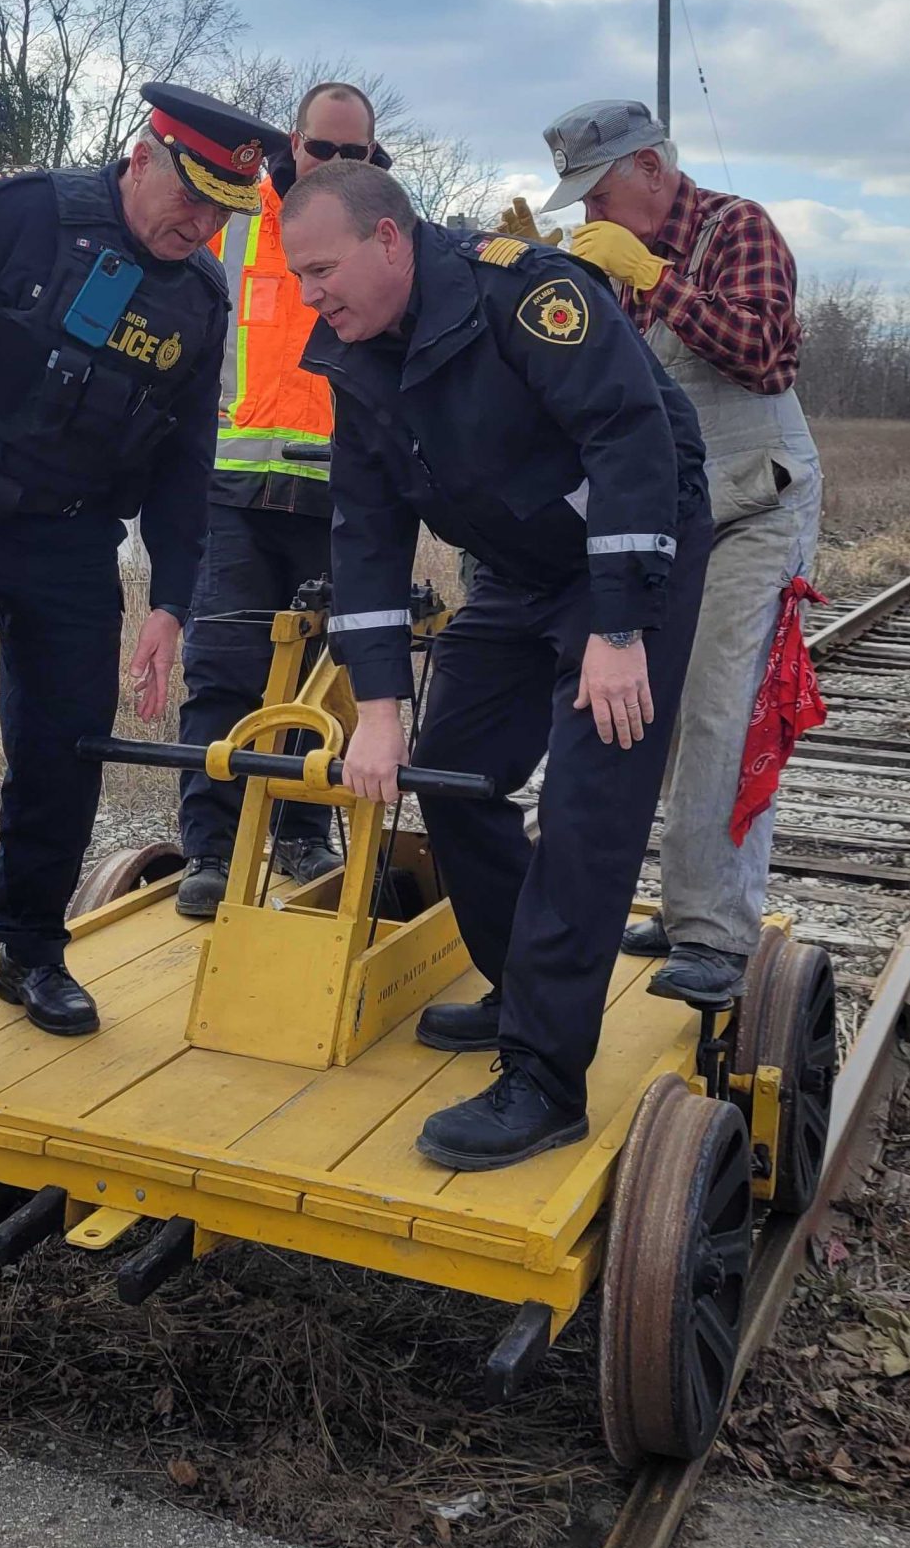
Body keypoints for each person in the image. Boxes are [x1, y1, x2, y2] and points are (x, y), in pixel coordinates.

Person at [0, 85, 280, 1066]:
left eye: (222, 215)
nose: (200, 227)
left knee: (66, 751)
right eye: (191, 198)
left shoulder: (197, 303)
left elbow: (186, 461)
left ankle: (33, 951)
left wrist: (167, 602)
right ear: (143, 156)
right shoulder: (21, 213)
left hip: (71, 542)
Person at [279, 162, 711, 1173]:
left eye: (322, 269)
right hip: (519, 566)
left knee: (587, 805)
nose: (309, 295)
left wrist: (617, 629)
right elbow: (367, 531)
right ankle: (522, 988)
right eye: (298, 276)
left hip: (630, 554)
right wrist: (377, 703)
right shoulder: (354, 352)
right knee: (455, 774)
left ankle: (546, 1079)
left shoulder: (524, 291)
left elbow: (629, 435)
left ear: (389, 241)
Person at [537, 98, 822, 1005]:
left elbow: (765, 352)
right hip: (673, 512)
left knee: (718, 712)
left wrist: (652, 281)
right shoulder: (609, 260)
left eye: (598, 196)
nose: (590, 219)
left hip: (756, 503)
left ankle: (712, 932)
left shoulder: (738, 229)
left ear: (652, 170)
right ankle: (671, 898)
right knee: (644, 705)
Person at [176, 82, 392, 919]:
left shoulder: (385, 233)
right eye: (320, 149)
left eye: (355, 154)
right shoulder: (233, 224)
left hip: (343, 500)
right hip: (232, 493)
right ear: (289, 145)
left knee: (326, 685)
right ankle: (212, 849)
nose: (335, 165)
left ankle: (303, 834)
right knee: (224, 672)